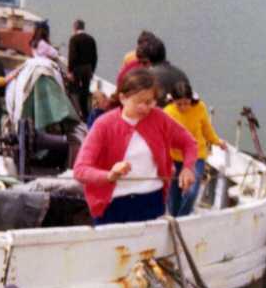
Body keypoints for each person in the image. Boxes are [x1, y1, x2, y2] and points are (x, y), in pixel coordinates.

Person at [73, 69, 197, 225]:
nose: (146, 108)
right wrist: (108, 175)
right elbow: (80, 170)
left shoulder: (159, 118)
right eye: (140, 102)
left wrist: (188, 167)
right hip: (112, 205)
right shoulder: (104, 125)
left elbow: (189, 143)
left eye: (150, 101)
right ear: (123, 98)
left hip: (152, 201)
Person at [164, 81, 227, 217]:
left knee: (191, 191)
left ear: (191, 99)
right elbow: (162, 138)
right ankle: (174, 219)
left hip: (196, 155)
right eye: (179, 104)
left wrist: (217, 141)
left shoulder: (200, 107)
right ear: (172, 101)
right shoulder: (168, 112)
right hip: (174, 157)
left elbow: (206, 128)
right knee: (174, 195)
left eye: (186, 103)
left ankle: (182, 219)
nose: (183, 107)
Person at [67, 19, 98, 120]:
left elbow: (72, 56)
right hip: (88, 68)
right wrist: (92, 70)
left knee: (74, 90)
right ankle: (85, 114)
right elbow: (94, 56)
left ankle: (76, 112)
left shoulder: (74, 39)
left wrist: (70, 71)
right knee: (85, 91)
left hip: (77, 69)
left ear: (75, 28)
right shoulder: (91, 39)